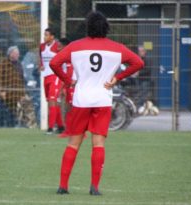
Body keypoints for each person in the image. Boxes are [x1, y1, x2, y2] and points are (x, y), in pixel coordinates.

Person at [50, 11, 144, 195]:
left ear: (87, 27)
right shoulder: (117, 48)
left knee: (73, 143)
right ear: (106, 28)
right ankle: (94, 187)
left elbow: (54, 63)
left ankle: (63, 186)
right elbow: (138, 62)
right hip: (102, 99)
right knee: (98, 143)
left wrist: (68, 81)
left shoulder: (75, 46)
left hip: (81, 100)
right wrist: (117, 78)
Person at [39, 28, 64, 134]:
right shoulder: (42, 46)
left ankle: (50, 128)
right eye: (44, 35)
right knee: (50, 101)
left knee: (52, 101)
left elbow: (62, 60)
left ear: (52, 37)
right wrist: (41, 65)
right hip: (46, 77)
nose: (44, 37)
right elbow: (40, 57)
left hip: (55, 76)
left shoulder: (57, 46)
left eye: (46, 35)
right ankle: (60, 126)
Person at [0, 46, 26, 126]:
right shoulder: (3, 64)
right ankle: (0, 127)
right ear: (10, 54)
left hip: (15, 94)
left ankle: (12, 126)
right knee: (2, 113)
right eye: (16, 53)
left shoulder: (19, 64)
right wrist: (1, 91)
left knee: (13, 113)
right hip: (5, 94)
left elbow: (22, 80)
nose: (18, 55)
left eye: (18, 53)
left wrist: (22, 94)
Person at [135, 46, 159, 115]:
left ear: (144, 51)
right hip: (140, 79)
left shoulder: (147, 59)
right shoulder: (140, 58)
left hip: (146, 79)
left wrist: (138, 73)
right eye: (139, 51)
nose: (140, 52)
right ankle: (142, 108)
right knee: (141, 93)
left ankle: (141, 109)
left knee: (143, 94)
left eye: (141, 51)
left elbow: (148, 70)